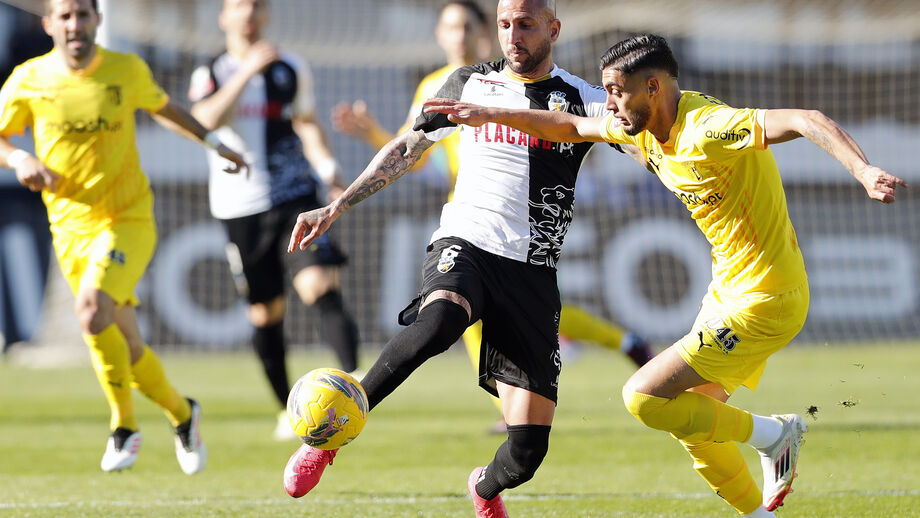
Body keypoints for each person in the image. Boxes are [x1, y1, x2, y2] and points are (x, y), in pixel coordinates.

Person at [423, 34, 907, 516]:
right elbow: (568, 126)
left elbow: (806, 120)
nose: (607, 103)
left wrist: (863, 171)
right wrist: (491, 114)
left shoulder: (708, 126)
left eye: (616, 91)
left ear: (653, 87)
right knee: (694, 424)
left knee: (643, 396)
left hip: (766, 299)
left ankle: (775, 434)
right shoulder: (637, 128)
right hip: (729, 293)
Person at [282, 1, 651, 515]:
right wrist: (338, 204)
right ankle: (330, 432)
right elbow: (408, 148)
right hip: (467, 241)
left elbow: (646, 148)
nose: (512, 35)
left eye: (525, 24)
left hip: (532, 270)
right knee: (442, 318)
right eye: (504, 24)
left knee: (526, 452)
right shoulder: (467, 83)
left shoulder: (583, 100)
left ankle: (483, 487)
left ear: (553, 29)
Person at [0, 0, 248, 474]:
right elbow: (2, 136)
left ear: (98, 20)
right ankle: (182, 413)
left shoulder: (125, 69)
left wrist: (216, 145)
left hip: (127, 218)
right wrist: (19, 159)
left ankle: (124, 427)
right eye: (66, 16)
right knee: (126, 345)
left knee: (92, 311)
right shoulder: (28, 79)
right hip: (70, 227)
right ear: (49, 24)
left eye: (83, 15)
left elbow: (166, 109)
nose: (75, 25)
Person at [188, 0, 361, 441]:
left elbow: (305, 122)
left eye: (257, 6)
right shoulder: (210, 72)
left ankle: (355, 389)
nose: (248, 14)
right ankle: (292, 409)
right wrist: (247, 71)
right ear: (223, 17)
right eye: (239, 6)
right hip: (238, 208)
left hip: (293, 198)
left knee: (319, 285)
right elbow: (204, 121)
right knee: (266, 314)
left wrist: (327, 168)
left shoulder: (290, 68)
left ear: (265, 16)